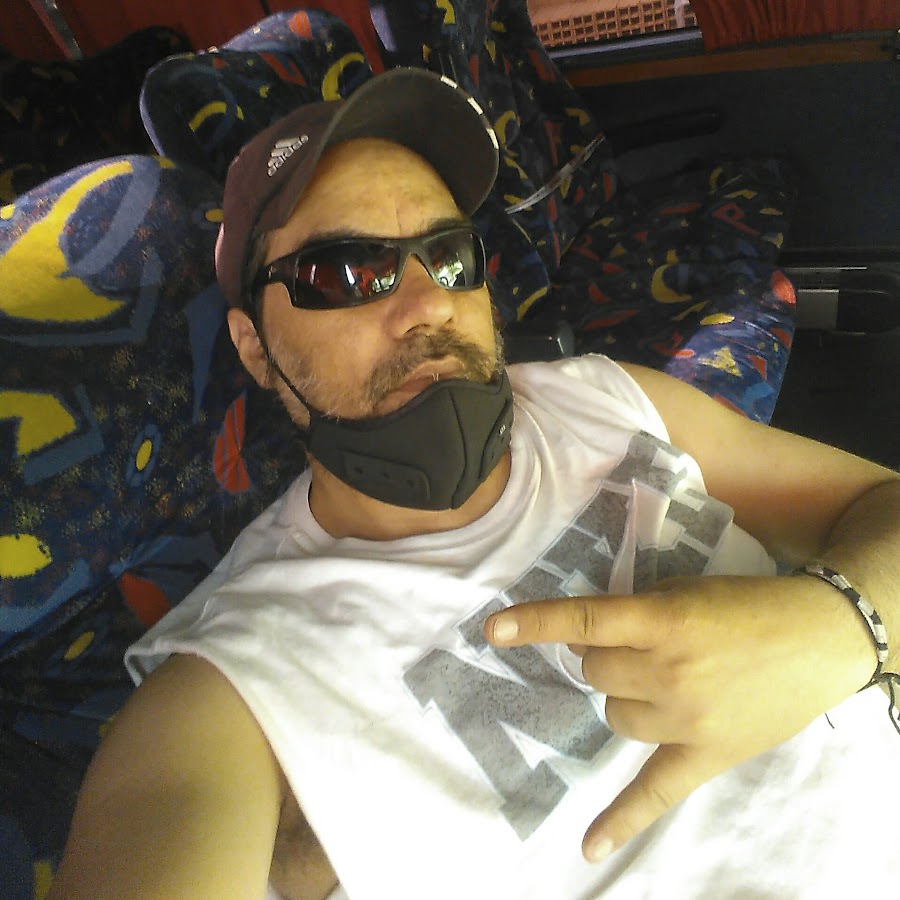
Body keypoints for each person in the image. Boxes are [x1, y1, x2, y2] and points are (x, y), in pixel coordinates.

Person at [50, 68, 899, 900]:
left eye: (448, 255)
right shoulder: (229, 689)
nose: (430, 303)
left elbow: (879, 503)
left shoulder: (600, 395)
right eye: (346, 272)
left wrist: (836, 624)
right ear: (253, 348)